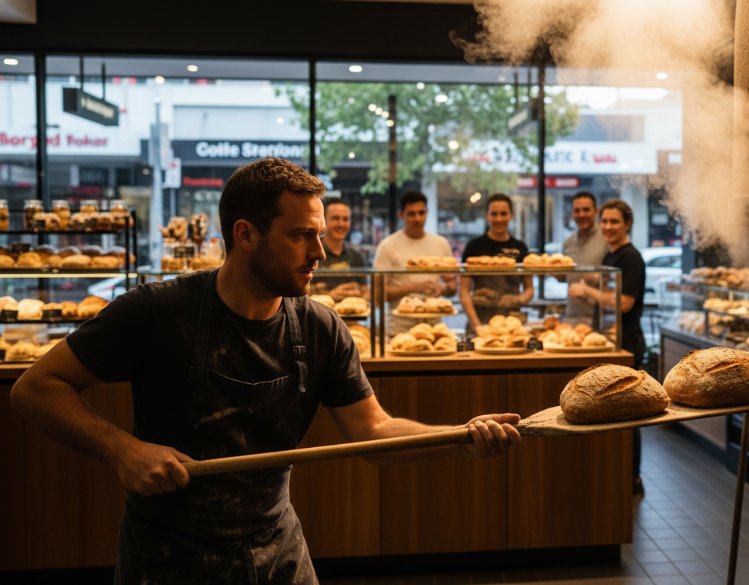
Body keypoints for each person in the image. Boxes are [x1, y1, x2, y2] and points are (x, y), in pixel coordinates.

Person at [9, 158, 520, 584]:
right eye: (302, 237)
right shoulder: (158, 312)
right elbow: (36, 387)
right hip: (168, 558)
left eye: (319, 236)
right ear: (246, 234)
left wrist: (460, 436)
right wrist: (123, 450)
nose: (320, 253)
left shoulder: (321, 327)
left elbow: (376, 431)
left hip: (277, 551)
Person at [568, 199, 646, 495]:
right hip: (613, 341)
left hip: (627, 343)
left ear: (627, 224)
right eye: (606, 222)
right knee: (616, 409)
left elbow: (624, 304)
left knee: (630, 411)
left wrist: (586, 289)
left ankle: (632, 477)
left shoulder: (629, 258)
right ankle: (618, 472)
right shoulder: (613, 256)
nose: (608, 227)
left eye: (615, 222)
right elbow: (610, 293)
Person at [373, 190, 456, 335]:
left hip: (434, 330)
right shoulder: (388, 246)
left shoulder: (441, 244)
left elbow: (452, 286)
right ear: (401, 215)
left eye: (421, 213)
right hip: (399, 330)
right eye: (411, 214)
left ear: (427, 212)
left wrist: (443, 289)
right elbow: (378, 294)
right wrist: (416, 287)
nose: (417, 218)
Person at [459, 194, 534, 335]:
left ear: (511, 215)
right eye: (494, 214)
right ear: (487, 216)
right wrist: (477, 325)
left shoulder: (520, 247)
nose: (499, 219)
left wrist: (518, 299)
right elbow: (464, 291)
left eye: (503, 214)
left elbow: (529, 289)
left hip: (512, 323)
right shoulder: (474, 246)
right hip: (480, 319)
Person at [561, 191, 608, 326]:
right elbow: (565, 277)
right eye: (577, 211)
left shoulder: (607, 239)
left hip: (599, 319)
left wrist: (595, 277)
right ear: (572, 214)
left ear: (596, 211)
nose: (581, 215)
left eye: (586, 210)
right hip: (571, 317)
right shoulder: (568, 243)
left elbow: (615, 279)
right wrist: (556, 273)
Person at [318, 197, 368, 300]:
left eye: (345, 219)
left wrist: (359, 293)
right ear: (324, 220)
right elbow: (300, 296)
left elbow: (365, 291)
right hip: (317, 315)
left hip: (354, 314)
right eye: (335, 218)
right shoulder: (313, 252)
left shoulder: (356, 256)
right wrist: (329, 296)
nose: (341, 224)